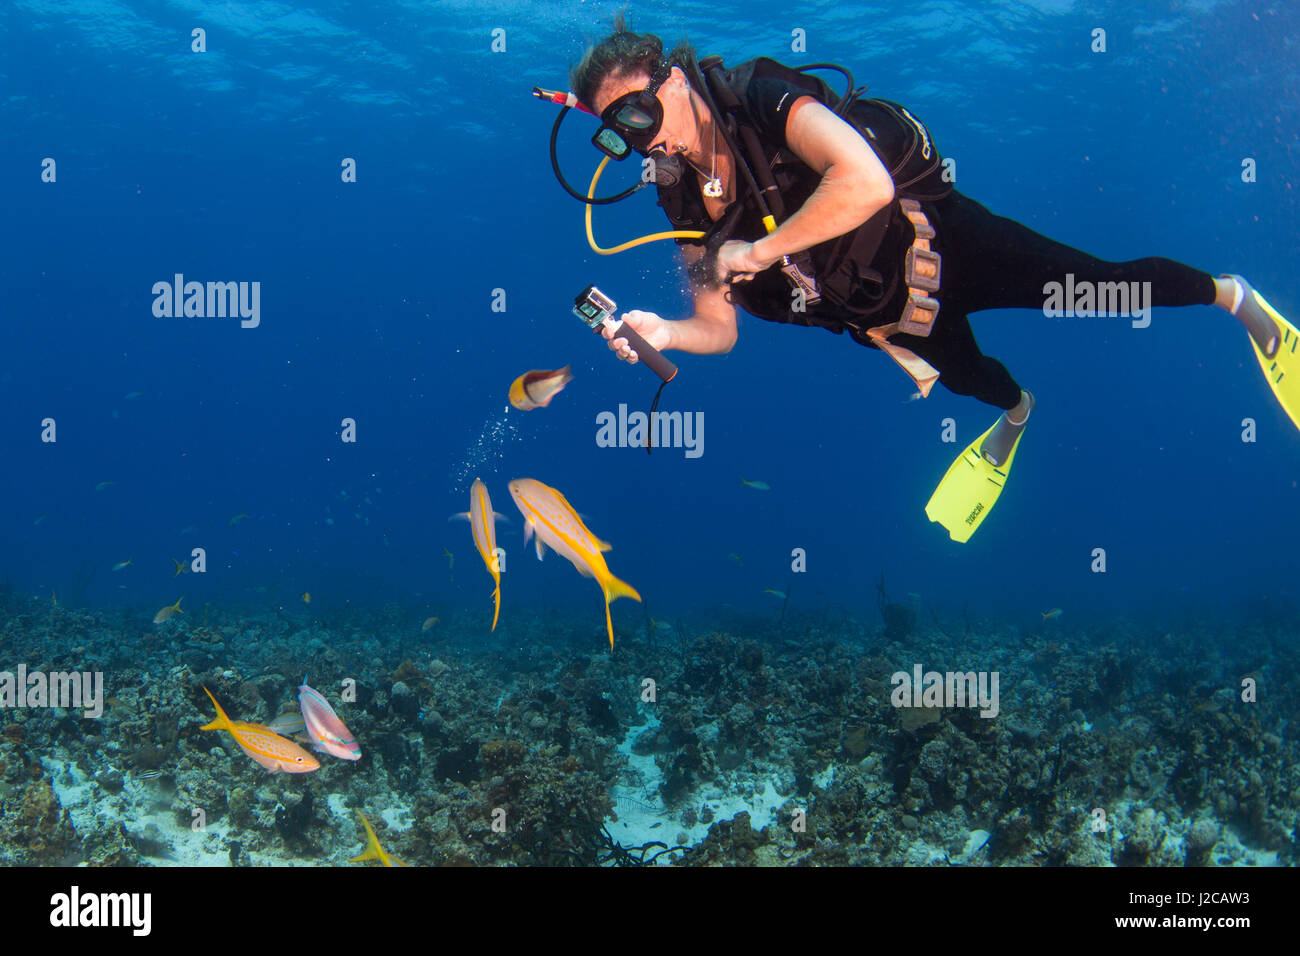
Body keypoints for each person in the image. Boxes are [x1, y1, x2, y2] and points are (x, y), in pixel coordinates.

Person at [561, 21, 1298, 541]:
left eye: (638, 112)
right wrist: (665, 333)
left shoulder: (760, 94)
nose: (638, 137)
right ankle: (1017, 414)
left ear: (675, 79)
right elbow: (718, 328)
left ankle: (1235, 299)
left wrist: (761, 251)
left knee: (1107, 289)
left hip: (949, 248)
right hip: (894, 320)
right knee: (984, 384)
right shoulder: (679, 197)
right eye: (616, 133)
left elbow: (864, 180)